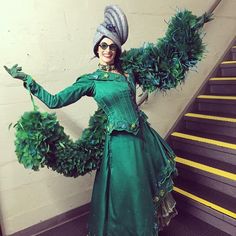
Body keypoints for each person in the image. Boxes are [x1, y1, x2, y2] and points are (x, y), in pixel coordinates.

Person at [4, 5, 212, 236]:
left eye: (113, 46)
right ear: (97, 47)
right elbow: (55, 101)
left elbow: (161, 61)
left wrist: (189, 31)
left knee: (143, 188)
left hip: (142, 137)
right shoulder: (90, 81)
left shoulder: (127, 72)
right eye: (103, 45)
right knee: (128, 190)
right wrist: (29, 81)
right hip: (120, 143)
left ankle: (143, 229)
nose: (108, 50)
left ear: (117, 50)